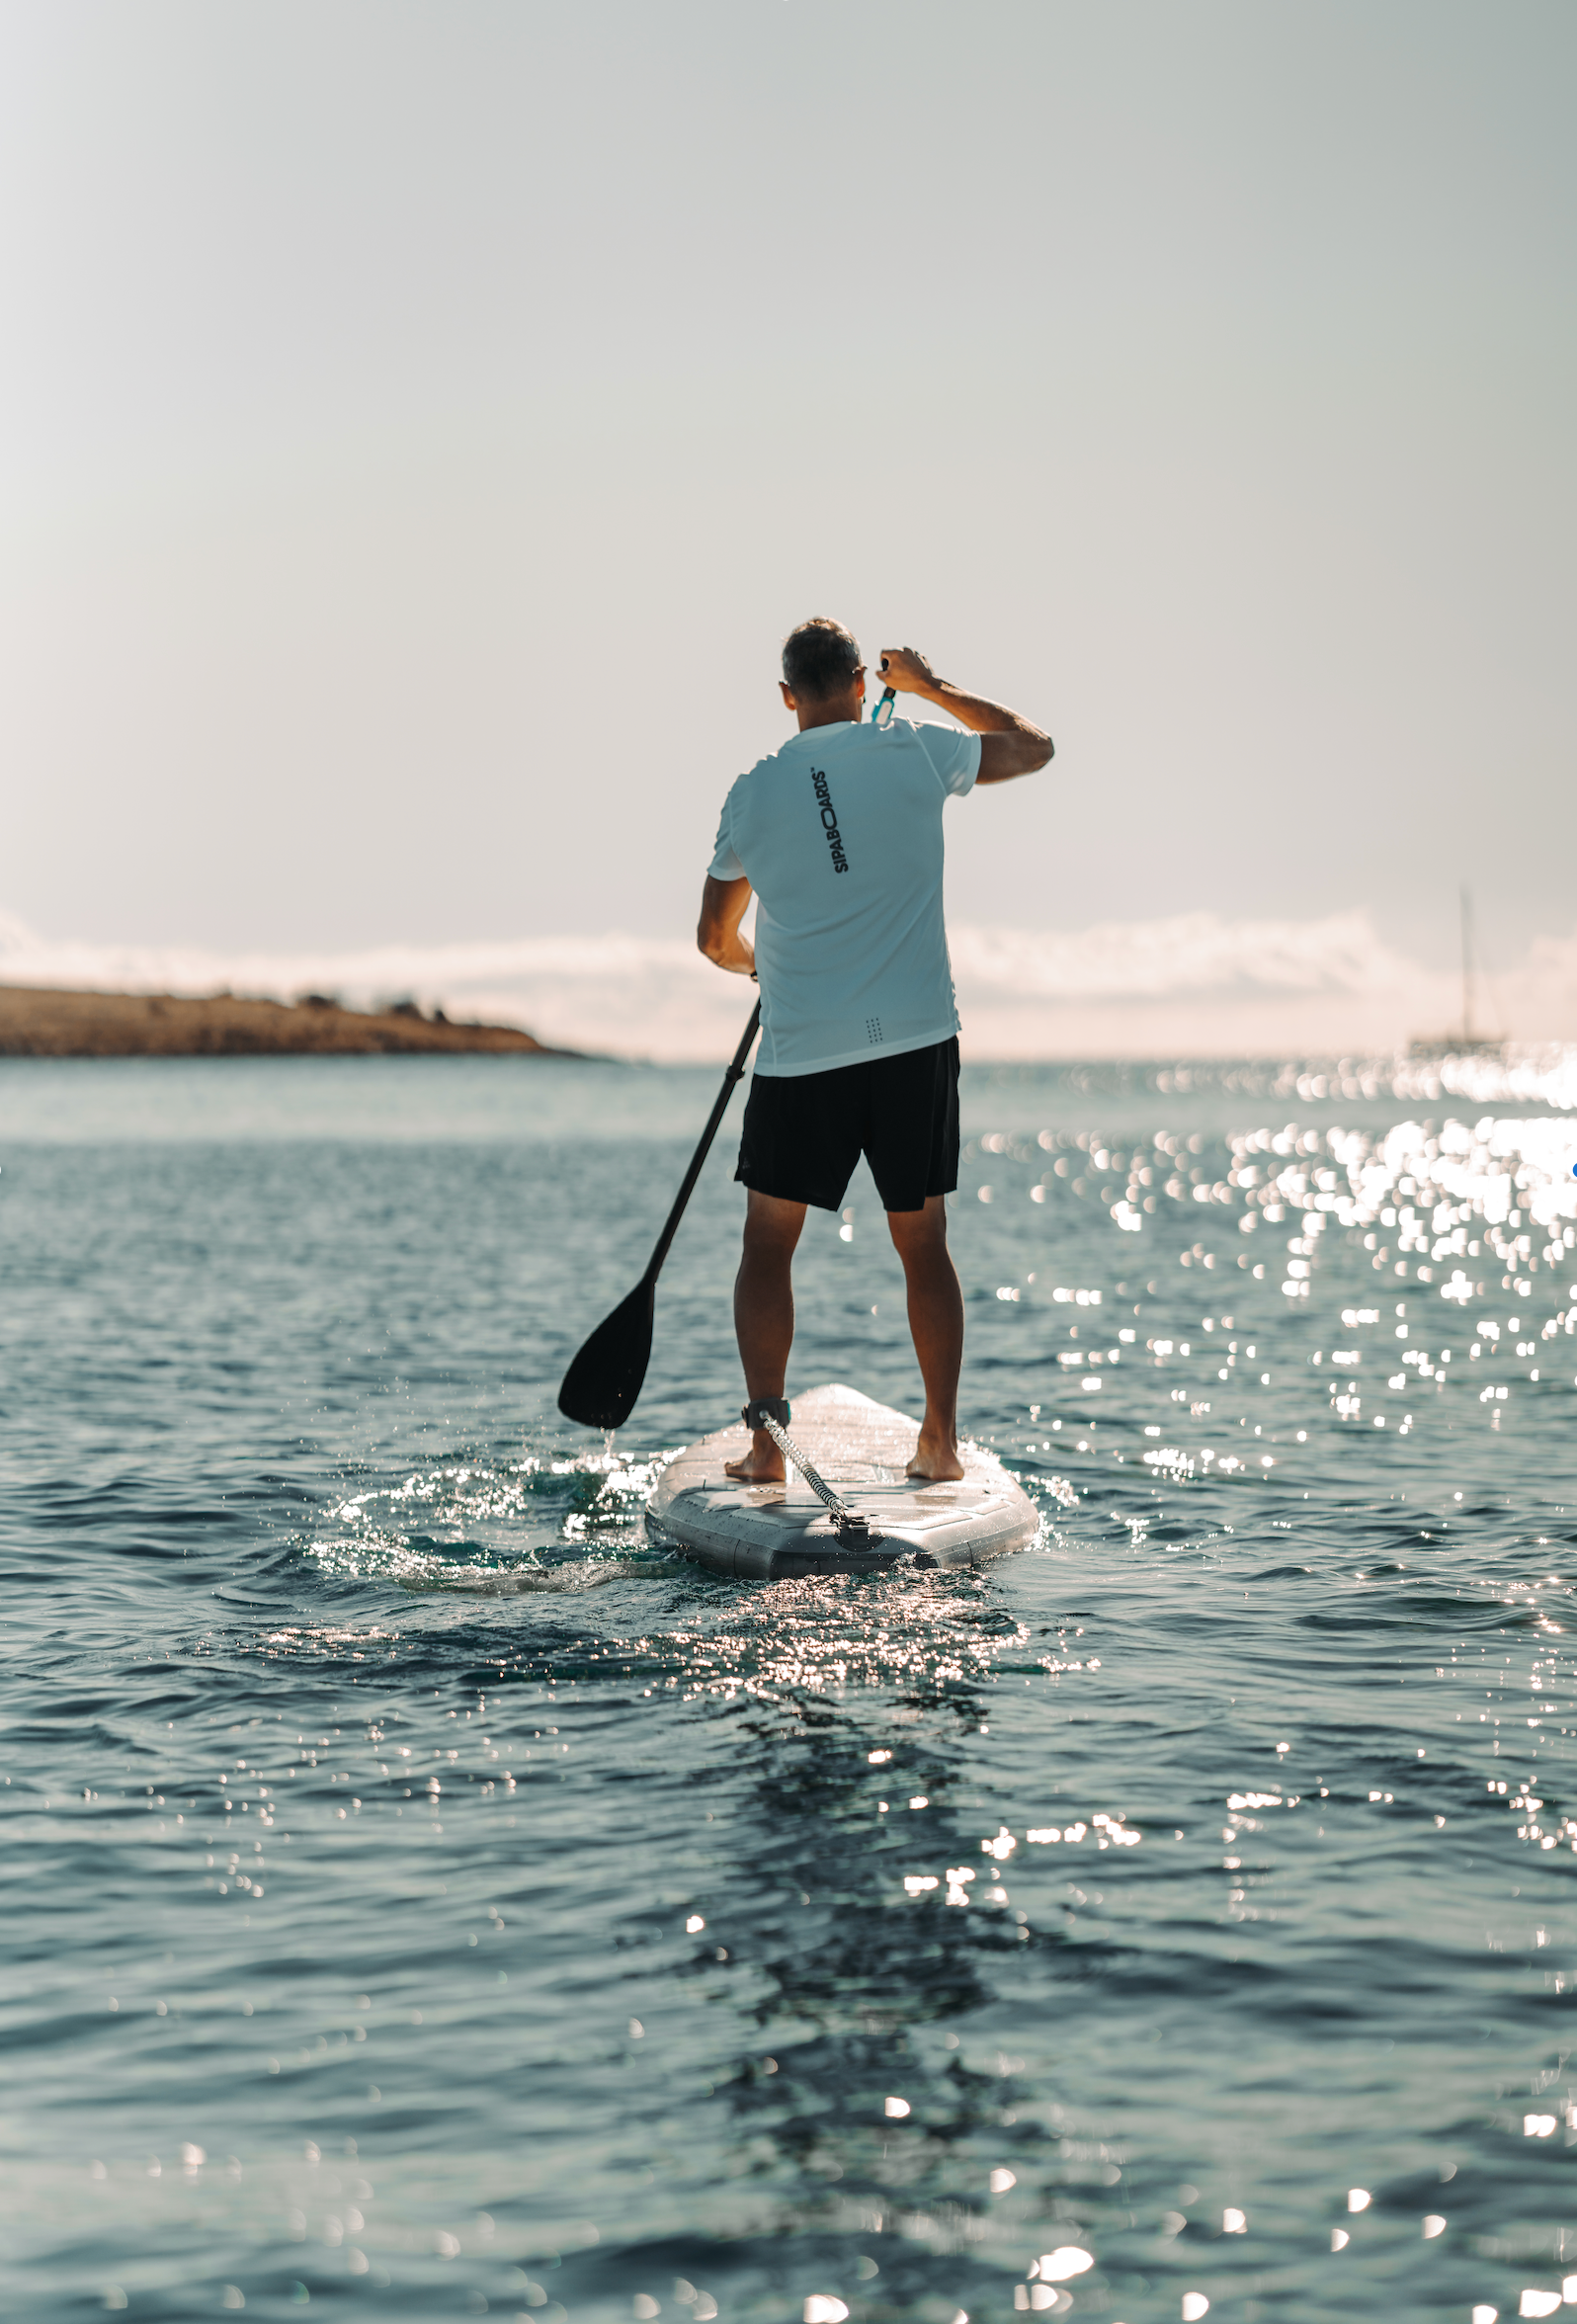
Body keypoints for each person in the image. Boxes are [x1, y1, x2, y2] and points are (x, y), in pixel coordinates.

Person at [697, 618, 1052, 1484]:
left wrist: (757, 969)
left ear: (787, 697)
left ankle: (764, 1449)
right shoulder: (916, 749)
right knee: (922, 1239)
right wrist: (930, 685)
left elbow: (714, 937)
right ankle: (939, 1443)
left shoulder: (752, 793)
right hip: (915, 1045)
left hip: (801, 1052)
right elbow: (1033, 748)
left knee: (767, 1246)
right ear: (861, 681)